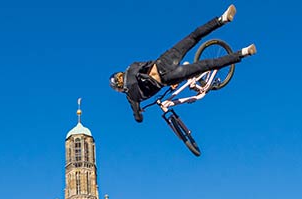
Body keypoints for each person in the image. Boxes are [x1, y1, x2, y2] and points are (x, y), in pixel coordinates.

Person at [109, 5, 256, 122]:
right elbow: (146, 63)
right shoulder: (131, 67)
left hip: (169, 78)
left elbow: (138, 119)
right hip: (164, 62)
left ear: (119, 88)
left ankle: (244, 52)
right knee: (193, 37)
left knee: (209, 65)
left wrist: (140, 112)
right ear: (120, 75)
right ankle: (222, 19)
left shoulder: (131, 98)